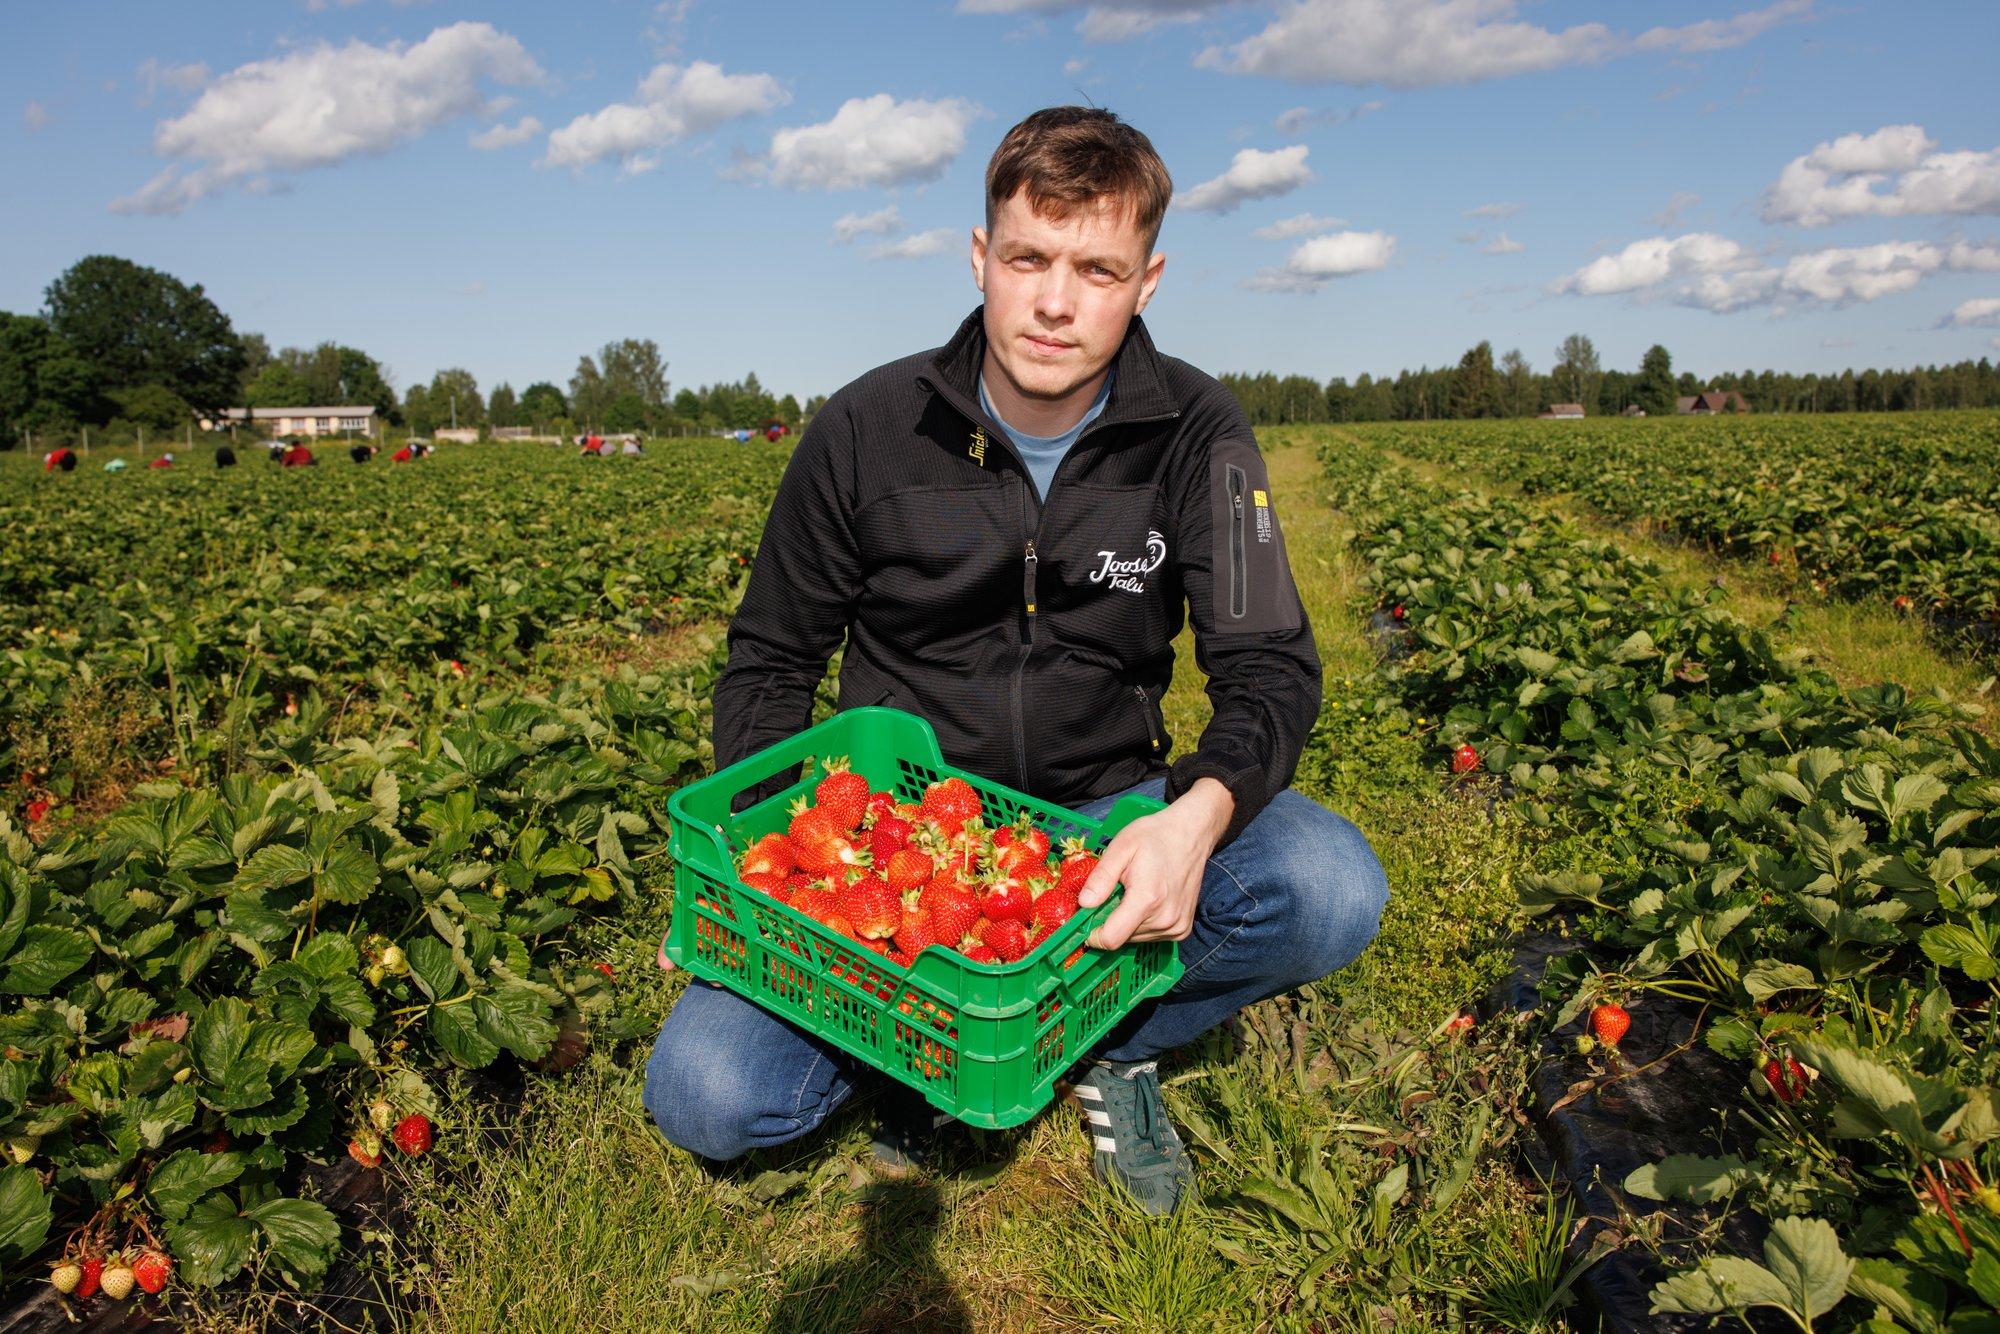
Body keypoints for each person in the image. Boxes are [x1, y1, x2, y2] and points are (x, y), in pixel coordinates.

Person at [641, 107, 1388, 1215]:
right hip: (897, 835)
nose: (1054, 299)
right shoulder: (864, 427)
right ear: (980, 256)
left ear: (1147, 280)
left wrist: (1192, 819)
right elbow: (767, 658)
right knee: (706, 1094)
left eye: (1097, 267)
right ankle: (933, 1045)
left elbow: (1268, 662)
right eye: (1029, 257)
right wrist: (784, 866)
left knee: (1329, 887)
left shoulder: (1197, 429)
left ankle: (1095, 1043)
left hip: (1103, 816)